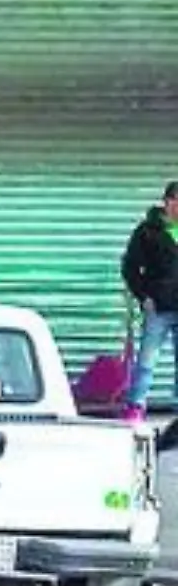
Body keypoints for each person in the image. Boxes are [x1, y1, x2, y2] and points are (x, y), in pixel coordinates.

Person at [121, 181, 178, 422]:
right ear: (166, 202)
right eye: (175, 200)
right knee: (147, 360)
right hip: (159, 307)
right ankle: (135, 405)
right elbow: (130, 267)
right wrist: (143, 296)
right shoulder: (147, 231)